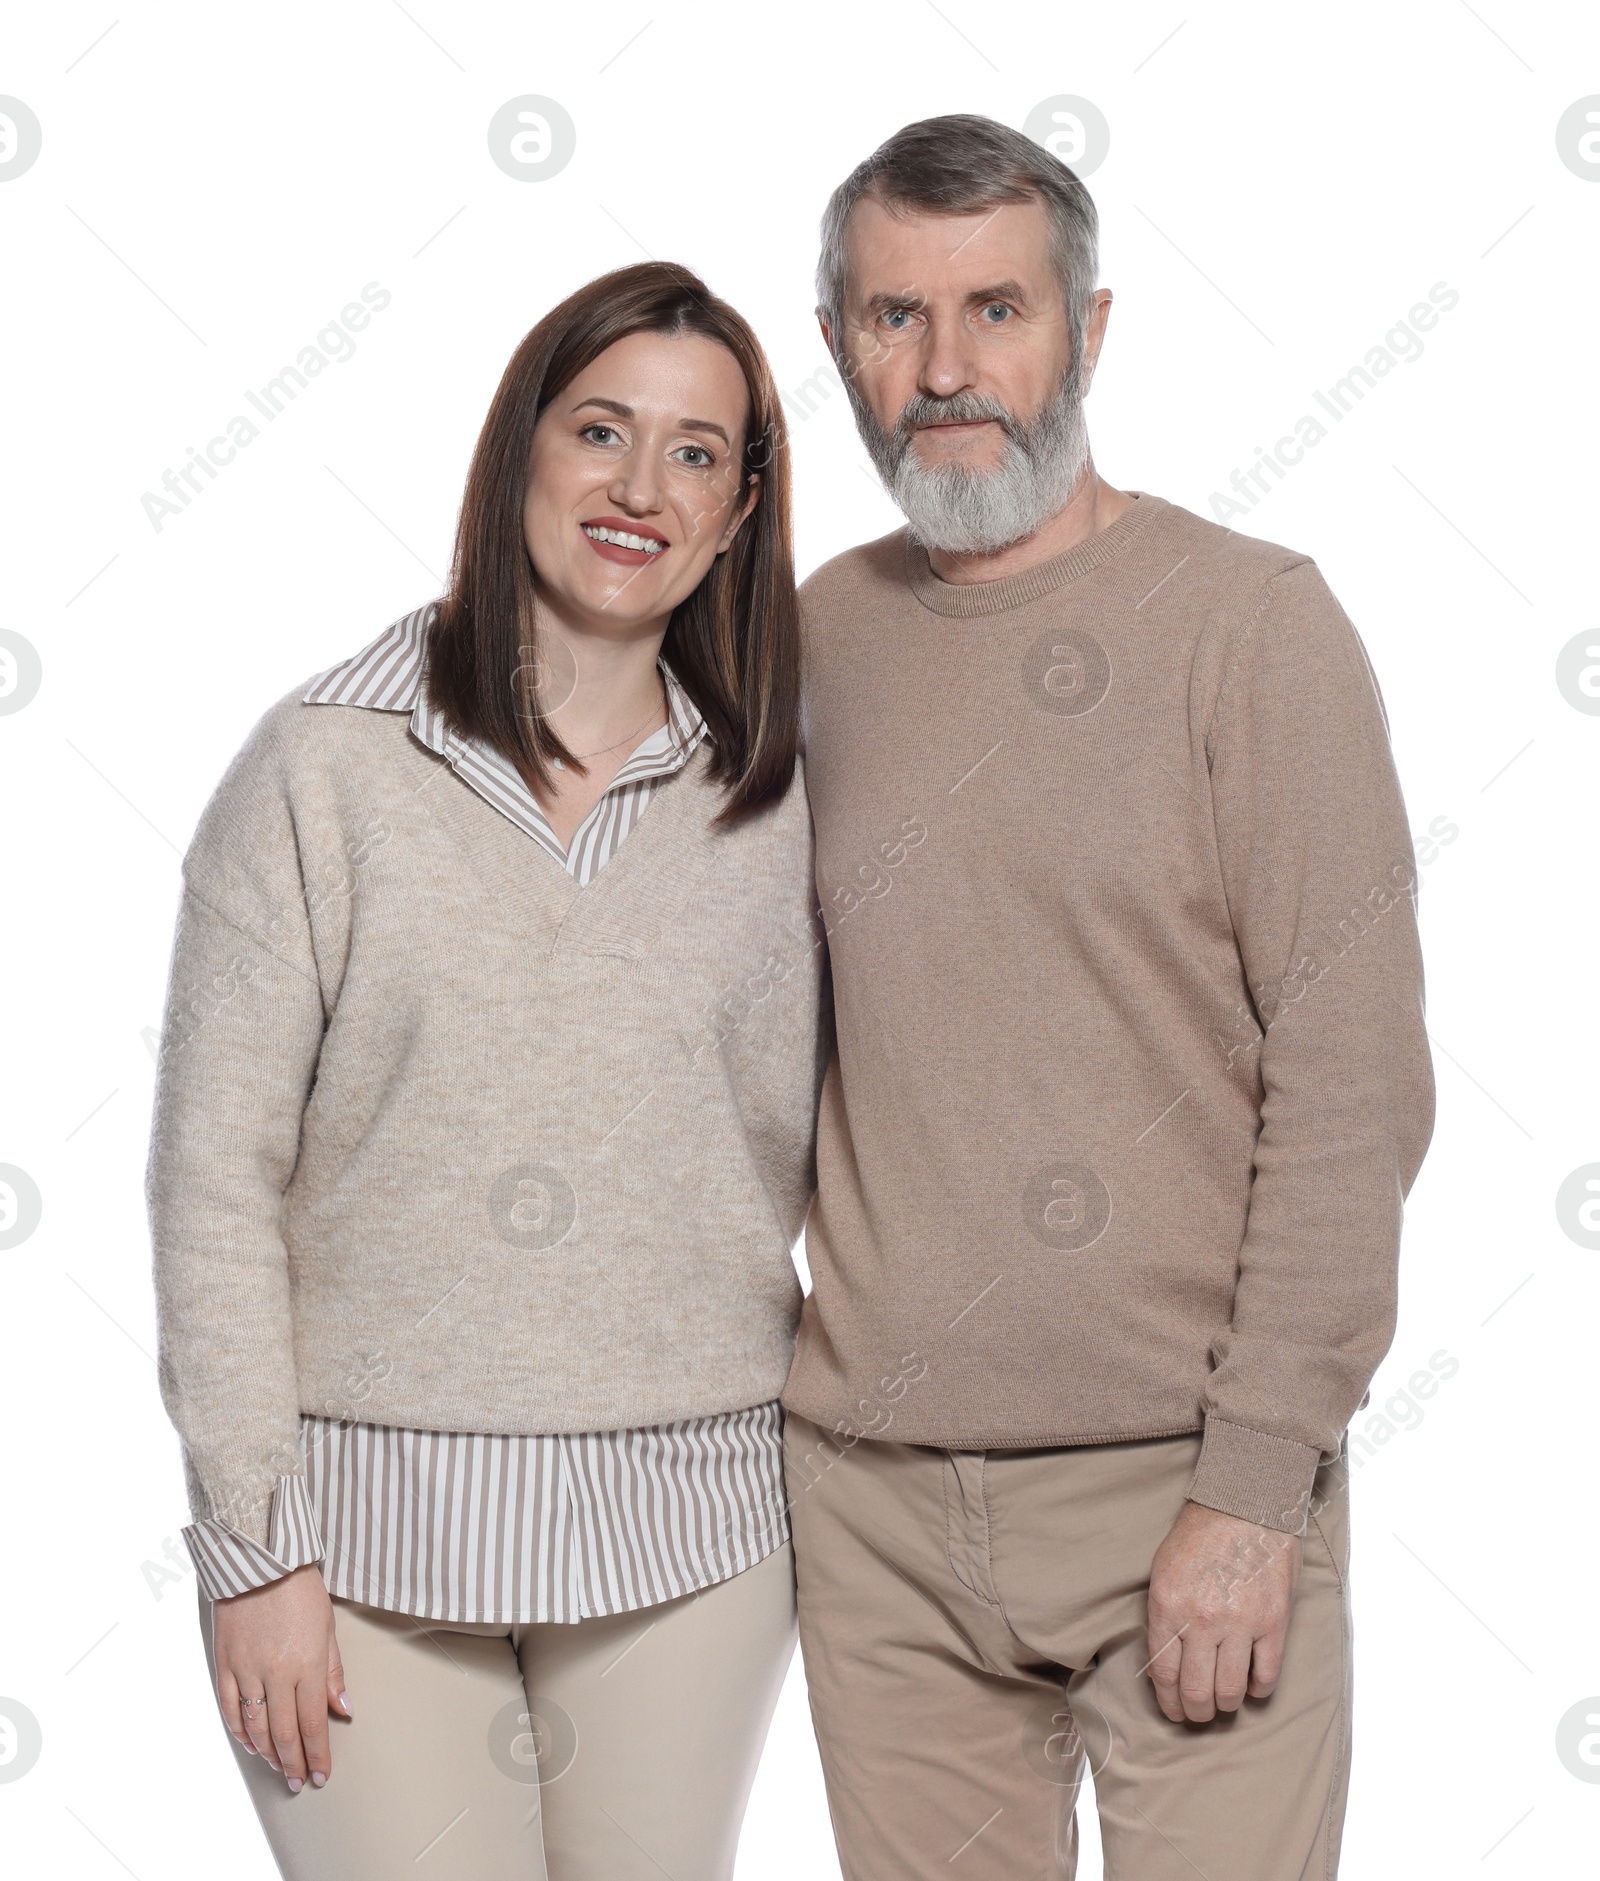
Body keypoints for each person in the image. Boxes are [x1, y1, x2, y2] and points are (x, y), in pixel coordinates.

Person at [781, 115, 1435, 1880]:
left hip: (1188, 1477)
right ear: (837, 342)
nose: (945, 370)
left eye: (998, 308)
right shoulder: (808, 640)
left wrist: (1251, 1488)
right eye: (893, 318)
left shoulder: (1253, 627)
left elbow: (1354, 1085)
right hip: (879, 1508)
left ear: (1091, 329)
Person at [147, 260, 825, 1881]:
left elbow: (834, 1146)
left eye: (693, 453)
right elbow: (209, 1179)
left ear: (738, 513)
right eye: (599, 430)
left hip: (697, 1527)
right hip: (362, 1542)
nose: (637, 488)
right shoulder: (324, 764)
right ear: (517, 448)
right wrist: (254, 1550)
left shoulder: (775, 799)